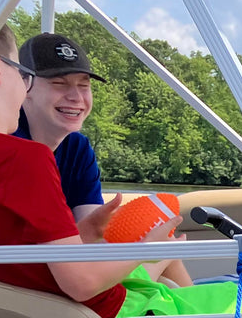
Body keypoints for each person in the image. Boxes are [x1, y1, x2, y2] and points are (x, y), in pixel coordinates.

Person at [0, 1, 237, 318]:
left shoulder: (16, 157)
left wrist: (83, 233)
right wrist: (148, 249)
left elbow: (14, 257)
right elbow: (82, 284)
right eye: (23, 74)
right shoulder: (22, 159)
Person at [16, 30, 193, 287]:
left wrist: (115, 231)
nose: (76, 97)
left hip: (64, 271)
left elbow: (89, 238)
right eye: (60, 83)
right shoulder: (13, 152)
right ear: (24, 85)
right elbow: (68, 265)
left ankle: (207, 317)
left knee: (165, 257)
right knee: (165, 256)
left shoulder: (77, 147)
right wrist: (143, 250)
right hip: (42, 283)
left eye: (84, 85)